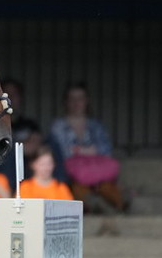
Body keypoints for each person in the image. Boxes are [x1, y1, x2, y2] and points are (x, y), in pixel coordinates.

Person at [47, 82, 129, 232]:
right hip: (72, 174)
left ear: (87, 101)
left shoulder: (95, 125)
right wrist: (90, 150)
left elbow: (106, 150)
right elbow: (63, 152)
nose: (77, 103)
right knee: (78, 189)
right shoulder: (58, 125)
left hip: (97, 173)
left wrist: (80, 150)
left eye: (81, 98)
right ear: (66, 102)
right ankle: (95, 206)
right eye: (72, 99)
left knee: (107, 187)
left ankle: (114, 206)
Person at [0, 78, 44, 184]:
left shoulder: (29, 124)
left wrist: (7, 146)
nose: (11, 98)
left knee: (11, 152)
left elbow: (32, 148)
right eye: (7, 95)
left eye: (14, 94)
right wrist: (21, 144)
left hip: (25, 174)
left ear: (20, 98)